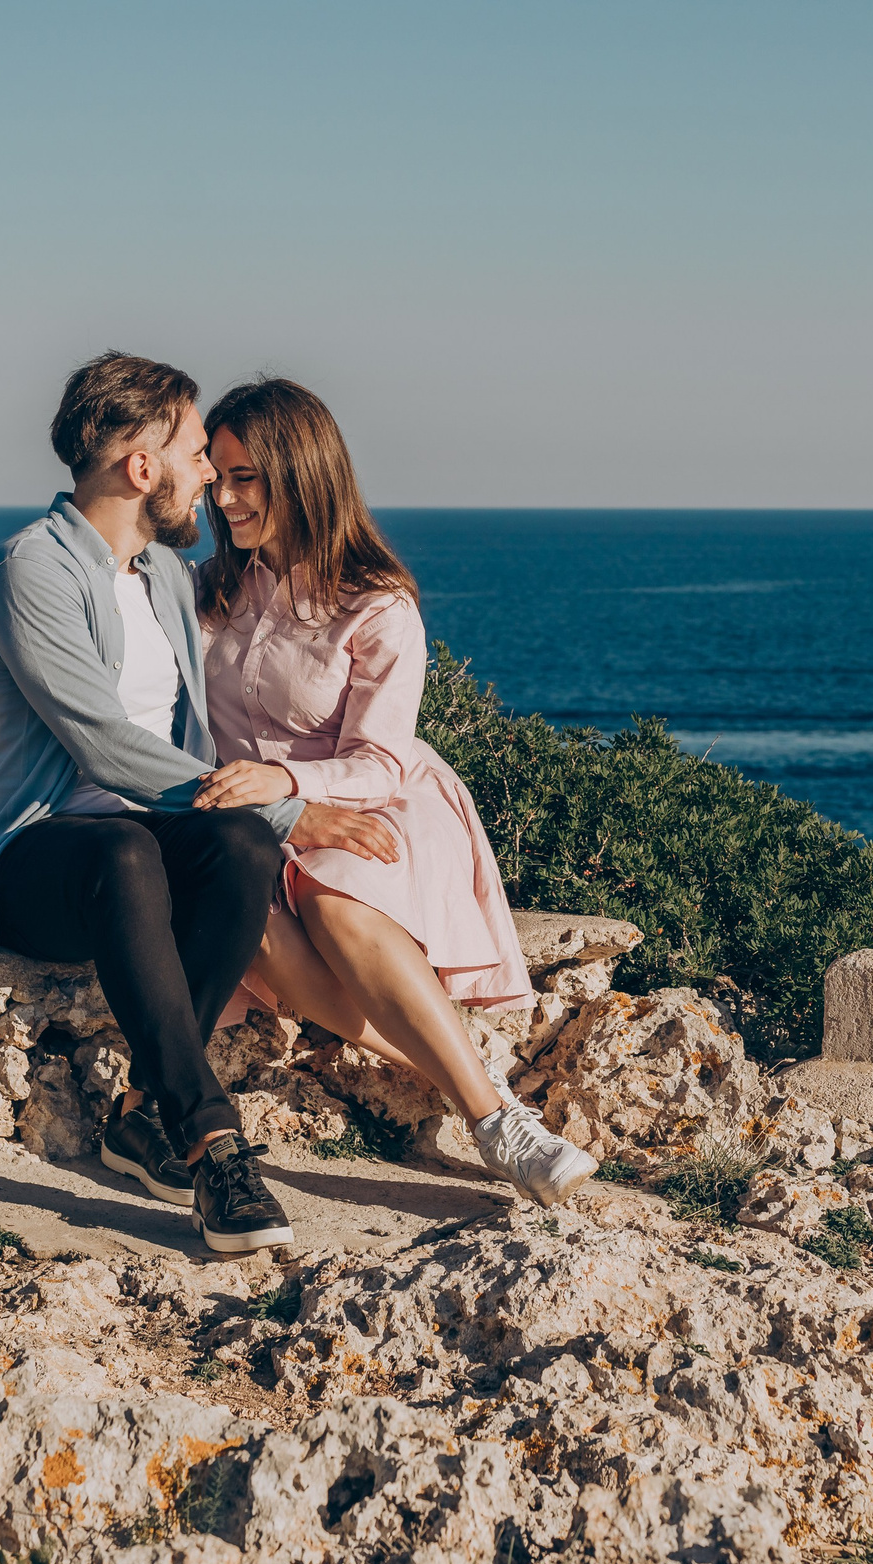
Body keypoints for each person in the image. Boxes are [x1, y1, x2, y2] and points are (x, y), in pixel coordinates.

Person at [0, 352, 398, 1252]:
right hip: (40, 858)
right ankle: (212, 1143)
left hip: (153, 850)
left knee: (238, 849)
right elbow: (103, 746)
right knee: (133, 851)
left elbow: (265, 652)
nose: (212, 475)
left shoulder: (165, 574)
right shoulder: (29, 572)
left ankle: (135, 1113)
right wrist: (292, 811)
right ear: (141, 466)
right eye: (200, 454)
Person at [189, 378, 599, 1207]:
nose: (224, 498)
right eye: (217, 476)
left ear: (302, 474)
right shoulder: (208, 591)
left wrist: (291, 783)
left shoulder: (377, 607)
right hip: (257, 817)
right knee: (257, 932)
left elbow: (379, 761)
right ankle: (488, 1094)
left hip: (374, 801)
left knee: (336, 903)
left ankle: (496, 1128)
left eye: (246, 479)